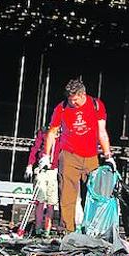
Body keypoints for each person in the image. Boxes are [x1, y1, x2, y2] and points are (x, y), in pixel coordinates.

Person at [40, 77, 112, 234]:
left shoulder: (96, 105)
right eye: (70, 100)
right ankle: (68, 231)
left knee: (94, 194)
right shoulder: (62, 107)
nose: (73, 104)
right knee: (67, 195)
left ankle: (93, 229)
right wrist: (46, 155)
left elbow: (102, 132)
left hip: (91, 156)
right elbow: (52, 133)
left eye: (76, 101)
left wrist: (108, 156)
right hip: (69, 155)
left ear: (83, 94)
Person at [24, 127, 59, 235]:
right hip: (42, 170)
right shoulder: (43, 133)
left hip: (54, 171)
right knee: (40, 200)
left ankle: (47, 229)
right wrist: (30, 165)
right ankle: (38, 228)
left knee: (51, 202)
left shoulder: (64, 136)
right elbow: (35, 148)